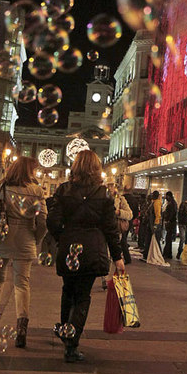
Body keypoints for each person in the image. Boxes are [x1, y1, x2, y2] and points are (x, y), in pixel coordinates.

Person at [47, 150, 124, 362]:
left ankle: (66, 333)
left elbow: (52, 221)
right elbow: (111, 229)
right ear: (97, 169)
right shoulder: (104, 194)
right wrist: (118, 257)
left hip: (69, 248)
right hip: (92, 250)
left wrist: (62, 237)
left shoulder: (64, 190)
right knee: (82, 296)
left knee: (67, 291)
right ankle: (72, 345)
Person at [0, 156, 47, 348]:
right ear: (29, 171)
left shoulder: (2, 185)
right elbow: (43, 222)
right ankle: (21, 328)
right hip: (25, 240)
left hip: (1, 240)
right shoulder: (37, 190)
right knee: (22, 284)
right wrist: (36, 239)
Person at [142, 190, 162, 260]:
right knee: (149, 239)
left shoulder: (156, 203)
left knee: (154, 240)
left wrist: (155, 225)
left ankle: (156, 254)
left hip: (153, 224)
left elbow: (157, 215)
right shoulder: (154, 202)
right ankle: (146, 254)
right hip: (151, 224)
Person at [176, 195, 187, 259]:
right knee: (182, 238)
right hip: (182, 223)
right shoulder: (184, 204)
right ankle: (179, 253)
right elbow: (180, 213)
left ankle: (185, 255)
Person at [163, 190, 178, 259]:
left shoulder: (171, 204)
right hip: (172, 222)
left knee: (168, 238)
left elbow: (171, 213)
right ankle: (168, 253)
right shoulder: (173, 203)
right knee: (168, 238)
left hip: (171, 223)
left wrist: (168, 220)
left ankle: (167, 253)